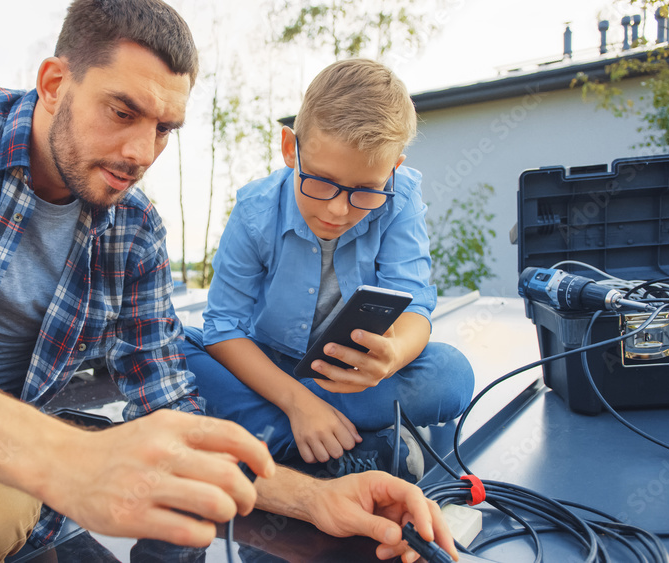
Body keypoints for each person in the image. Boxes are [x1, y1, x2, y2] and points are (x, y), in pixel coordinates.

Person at [0, 2, 458, 562]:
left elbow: (172, 404)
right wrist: (72, 460)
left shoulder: (135, 234)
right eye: (122, 110)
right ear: (52, 83)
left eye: (164, 128)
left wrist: (318, 497)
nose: (140, 150)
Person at [183, 59, 475, 482]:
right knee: (173, 348)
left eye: (366, 192)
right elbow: (224, 328)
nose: (338, 210)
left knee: (451, 375)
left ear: (393, 170)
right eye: (320, 182)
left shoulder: (403, 196)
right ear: (290, 149)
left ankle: (283, 438)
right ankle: (343, 441)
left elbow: (415, 306)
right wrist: (298, 401)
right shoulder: (254, 211)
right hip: (269, 366)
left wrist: (392, 358)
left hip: (352, 375)